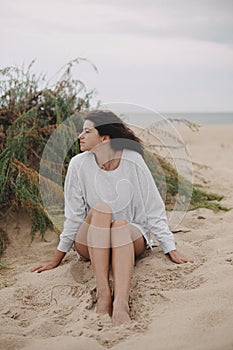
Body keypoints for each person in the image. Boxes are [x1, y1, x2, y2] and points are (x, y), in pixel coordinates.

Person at [31, 110, 193, 326]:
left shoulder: (133, 160)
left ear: (105, 138)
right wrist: (57, 258)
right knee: (101, 210)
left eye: (87, 131)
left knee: (120, 224)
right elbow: (74, 216)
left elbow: (153, 207)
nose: (80, 136)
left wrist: (169, 247)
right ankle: (104, 292)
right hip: (90, 240)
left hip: (128, 237)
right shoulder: (78, 164)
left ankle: (121, 303)